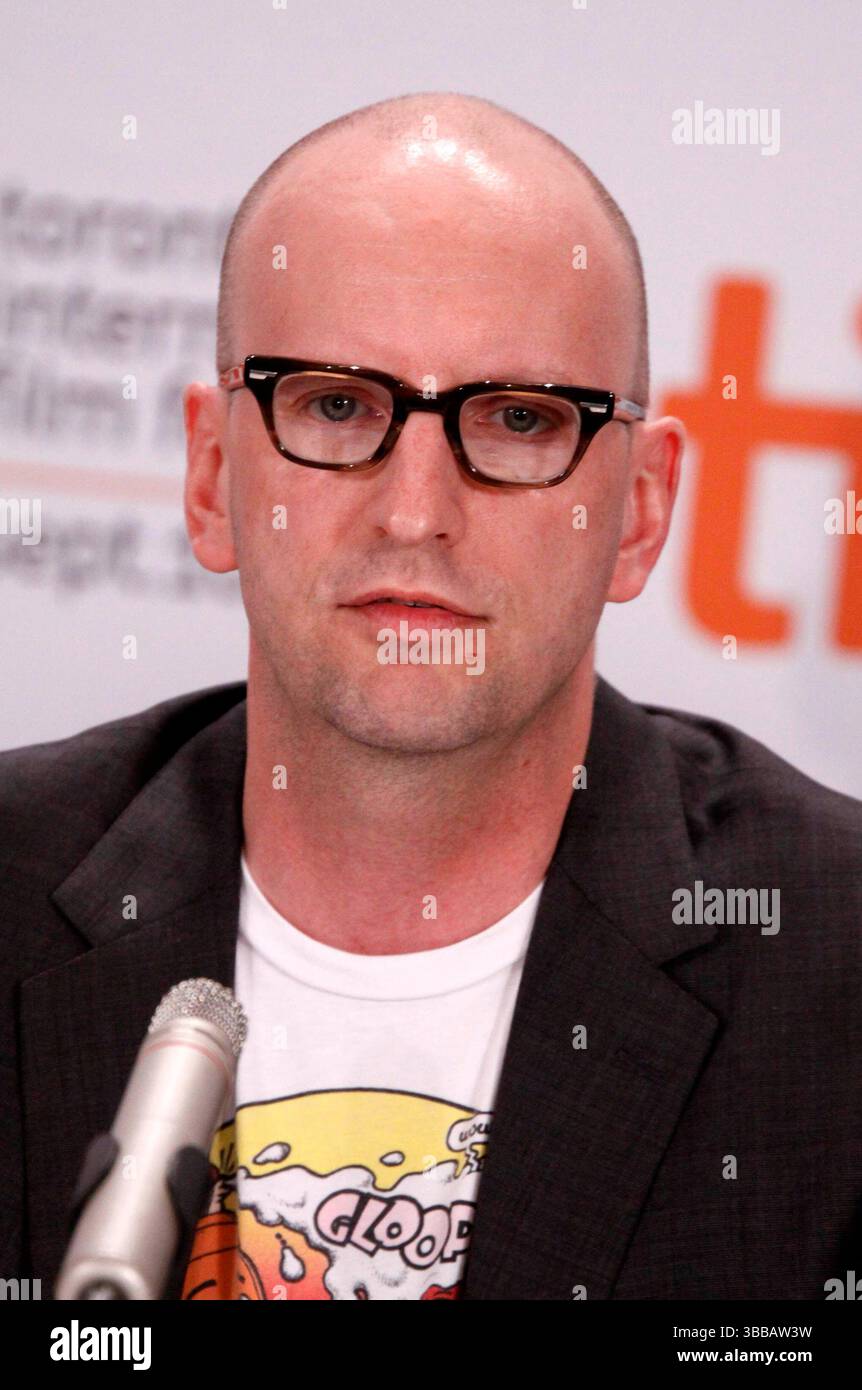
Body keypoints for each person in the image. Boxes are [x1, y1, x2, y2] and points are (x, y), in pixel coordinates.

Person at [2, 91, 860, 1302]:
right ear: (210, 476)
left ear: (640, 511)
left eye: (516, 419)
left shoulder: (835, 970)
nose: (414, 514)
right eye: (335, 405)